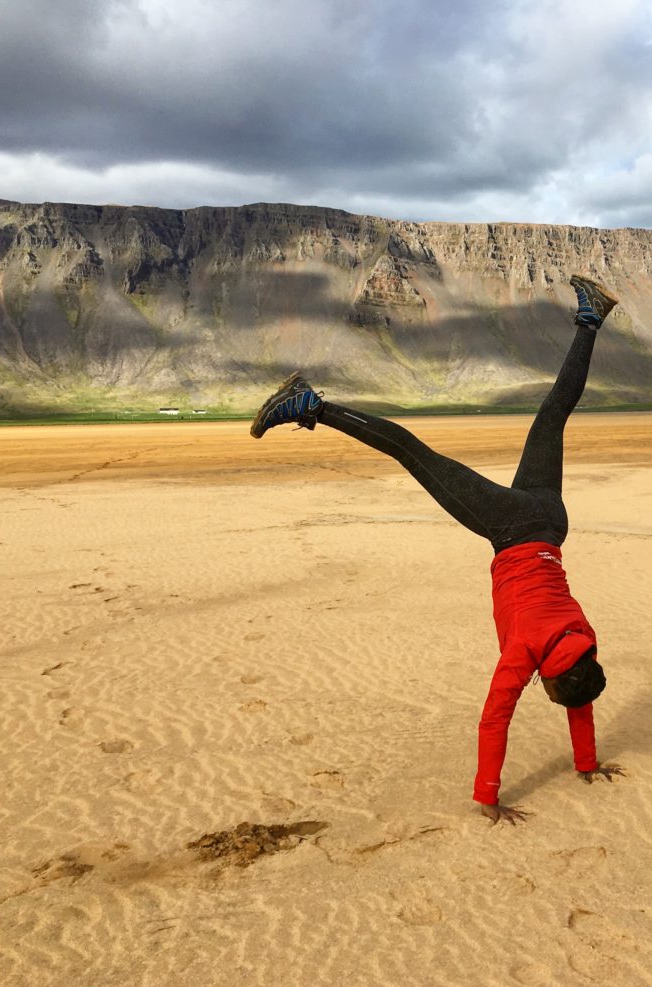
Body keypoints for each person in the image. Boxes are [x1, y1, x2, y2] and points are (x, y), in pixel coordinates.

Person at [250, 275, 625, 824]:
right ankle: (310, 404)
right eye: (548, 691)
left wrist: (586, 764)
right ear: (549, 675)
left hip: (550, 522)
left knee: (553, 412)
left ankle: (591, 318)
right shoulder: (525, 653)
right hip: (511, 528)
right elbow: (494, 720)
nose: (542, 693)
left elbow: (581, 696)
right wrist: (488, 798)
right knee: (411, 451)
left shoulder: (581, 640)